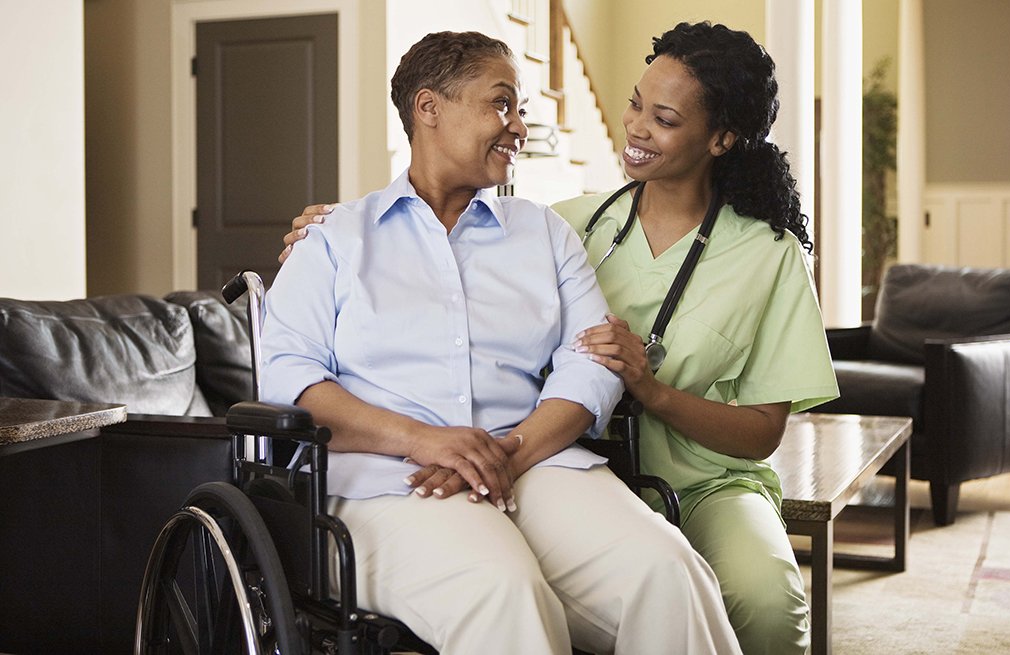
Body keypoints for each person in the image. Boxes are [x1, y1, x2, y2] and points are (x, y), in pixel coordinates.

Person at [281, 23, 837, 655]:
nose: (519, 125)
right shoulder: (337, 238)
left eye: (663, 118)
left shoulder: (545, 231)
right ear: (427, 109)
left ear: (720, 138)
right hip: (395, 477)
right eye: (502, 104)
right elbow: (289, 378)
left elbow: (590, 361)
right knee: (506, 588)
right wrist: (433, 443)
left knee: (671, 575)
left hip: (560, 464)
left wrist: (505, 455)